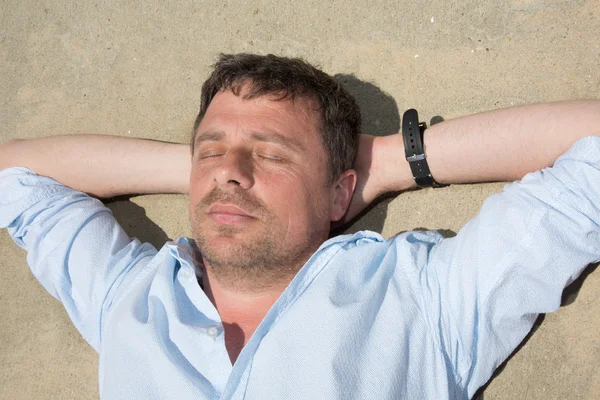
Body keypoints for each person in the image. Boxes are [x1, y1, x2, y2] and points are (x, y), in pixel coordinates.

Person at [0, 53, 598, 400]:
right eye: (209, 150)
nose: (230, 173)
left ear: (341, 189)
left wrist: (390, 161)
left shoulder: (427, 301)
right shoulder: (125, 298)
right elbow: (14, 173)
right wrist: (211, 168)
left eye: (273, 154)